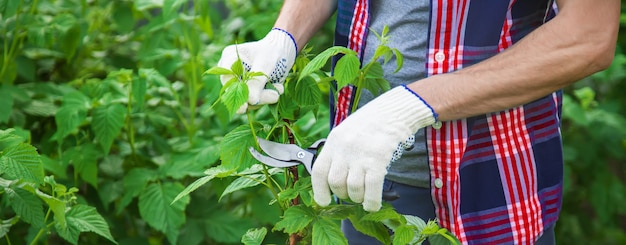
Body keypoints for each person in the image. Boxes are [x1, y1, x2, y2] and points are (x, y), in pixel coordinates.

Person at [217, 0, 620, 244]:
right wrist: (284, 37)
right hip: (359, 187)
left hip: (491, 192)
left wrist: (415, 104)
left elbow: (587, 37)